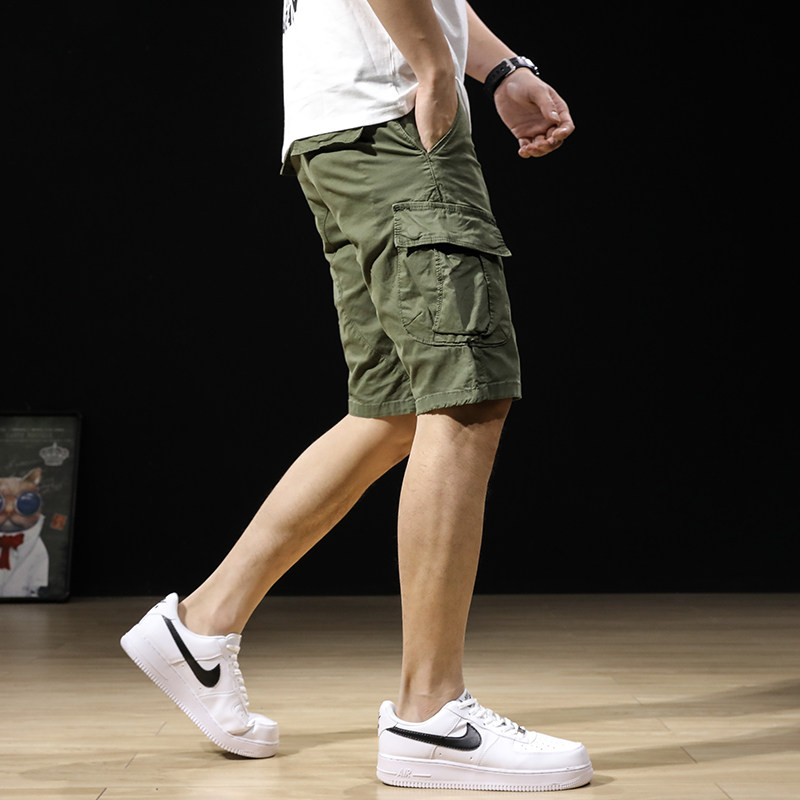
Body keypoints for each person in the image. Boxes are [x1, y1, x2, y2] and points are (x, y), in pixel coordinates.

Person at [121, 0, 592, 791]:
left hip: (342, 127)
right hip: (391, 120)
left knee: (395, 411)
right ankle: (429, 715)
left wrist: (500, 68)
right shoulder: (407, 88)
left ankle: (201, 626)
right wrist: (434, 68)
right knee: (464, 396)